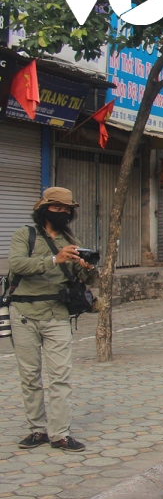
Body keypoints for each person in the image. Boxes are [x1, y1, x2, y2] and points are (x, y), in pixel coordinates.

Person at [7, 187, 96, 453]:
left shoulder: (71, 239)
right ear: (43, 210)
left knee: (60, 376)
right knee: (30, 376)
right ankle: (37, 429)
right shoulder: (26, 234)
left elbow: (79, 281)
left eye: (67, 209)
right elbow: (17, 265)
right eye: (57, 208)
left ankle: (60, 434)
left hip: (57, 315)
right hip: (24, 314)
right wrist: (54, 259)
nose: (62, 213)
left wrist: (87, 269)